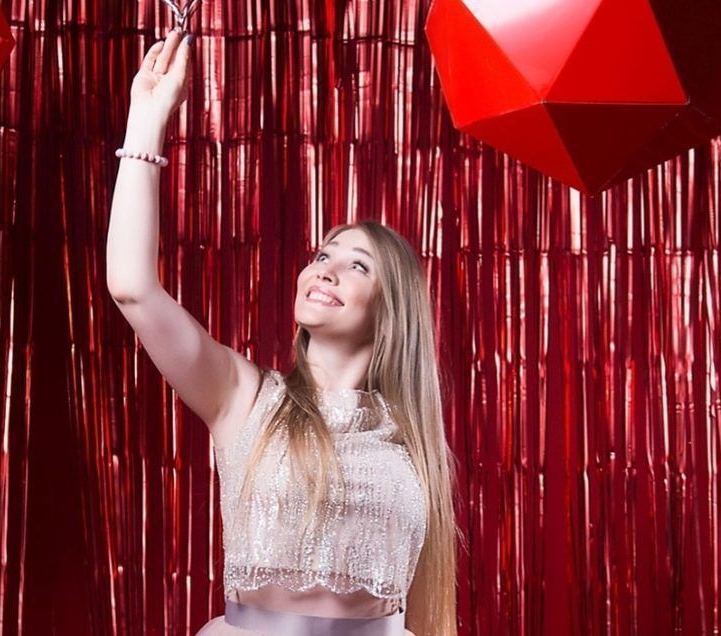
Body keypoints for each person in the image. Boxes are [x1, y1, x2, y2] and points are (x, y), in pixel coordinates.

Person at [106, 28, 462, 636]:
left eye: (357, 265)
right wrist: (148, 116)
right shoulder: (245, 398)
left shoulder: (411, 439)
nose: (325, 269)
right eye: (323, 255)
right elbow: (132, 287)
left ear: (392, 308)